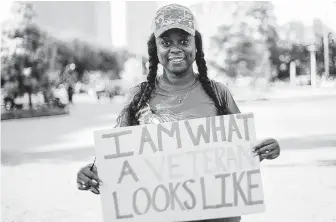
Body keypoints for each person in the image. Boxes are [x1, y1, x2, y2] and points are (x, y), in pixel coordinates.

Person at [76, 4, 280, 222]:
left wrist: (267, 149)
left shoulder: (219, 93)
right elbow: (117, 157)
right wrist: (91, 172)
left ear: (196, 45)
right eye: (165, 43)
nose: (175, 49)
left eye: (184, 41)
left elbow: (240, 153)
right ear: (155, 49)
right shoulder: (138, 96)